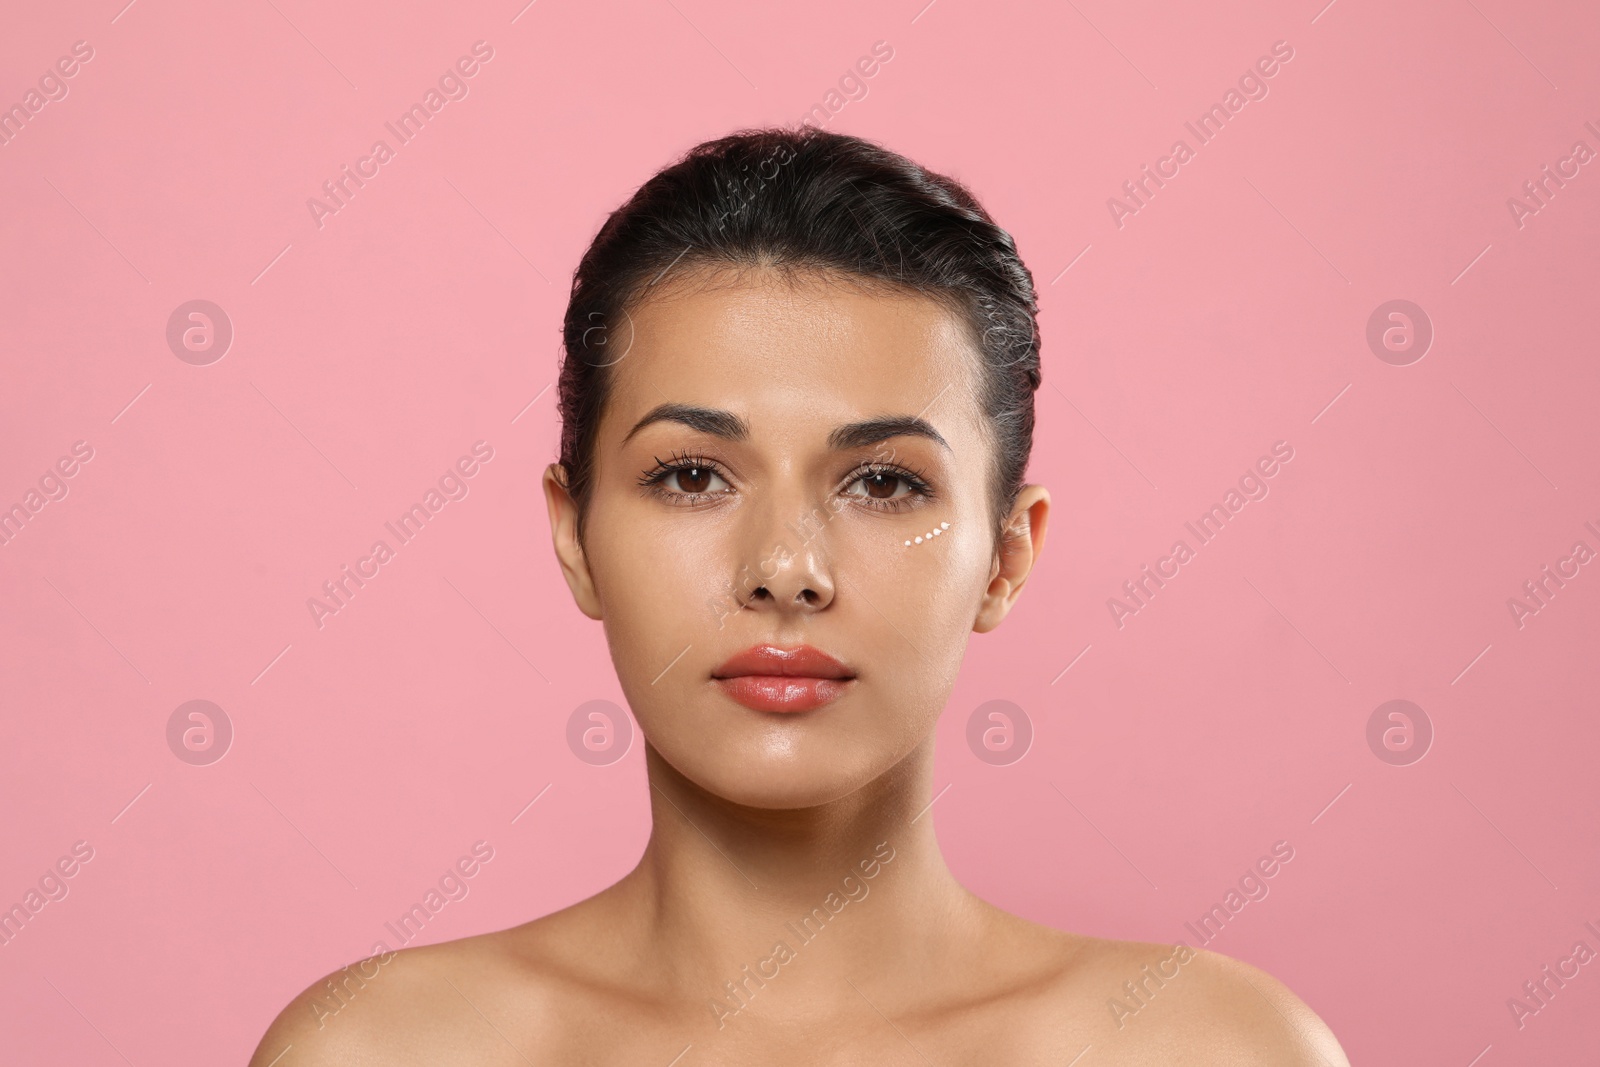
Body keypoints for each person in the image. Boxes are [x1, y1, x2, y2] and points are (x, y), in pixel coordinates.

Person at [250, 126, 1348, 1065]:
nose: (785, 566)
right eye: (690, 474)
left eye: (882, 482)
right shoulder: (382, 1049)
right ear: (573, 533)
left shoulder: (1207, 1048)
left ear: (1006, 554)